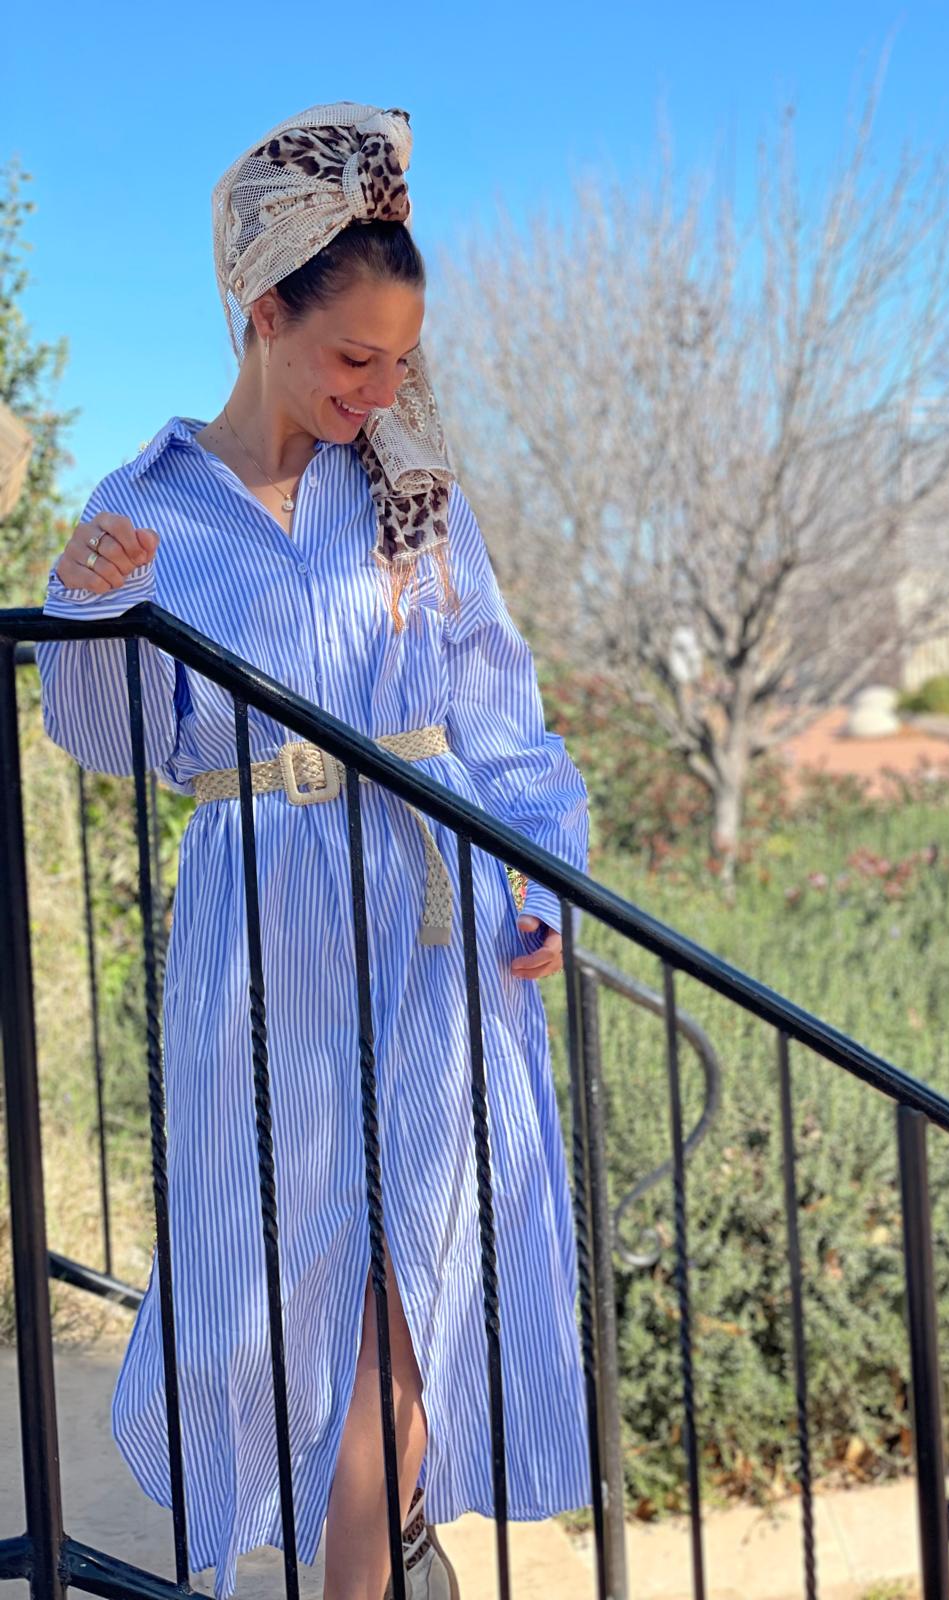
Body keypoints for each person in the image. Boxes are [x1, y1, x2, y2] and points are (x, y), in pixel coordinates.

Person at [34, 102, 593, 1600]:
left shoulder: (412, 498)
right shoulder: (143, 507)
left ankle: (366, 1563)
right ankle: (380, 1546)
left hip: (436, 912)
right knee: (286, 1292)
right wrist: (86, 606)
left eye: (400, 362)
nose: (380, 391)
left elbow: (501, 715)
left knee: (420, 1279)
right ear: (264, 313)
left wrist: (543, 871)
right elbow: (114, 739)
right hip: (265, 932)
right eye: (355, 357)